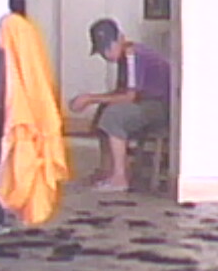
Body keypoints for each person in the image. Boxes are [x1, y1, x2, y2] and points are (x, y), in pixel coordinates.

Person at [68, 18, 170, 193]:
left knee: (114, 115)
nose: (106, 54)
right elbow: (120, 92)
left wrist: (91, 98)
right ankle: (105, 170)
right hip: (144, 102)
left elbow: (129, 96)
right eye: (102, 51)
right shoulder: (124, 59)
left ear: (120, 39)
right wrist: (91, 100)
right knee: (104, 110)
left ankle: (119, 177)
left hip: (159, 106)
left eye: (109, 48)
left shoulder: (132, 55)